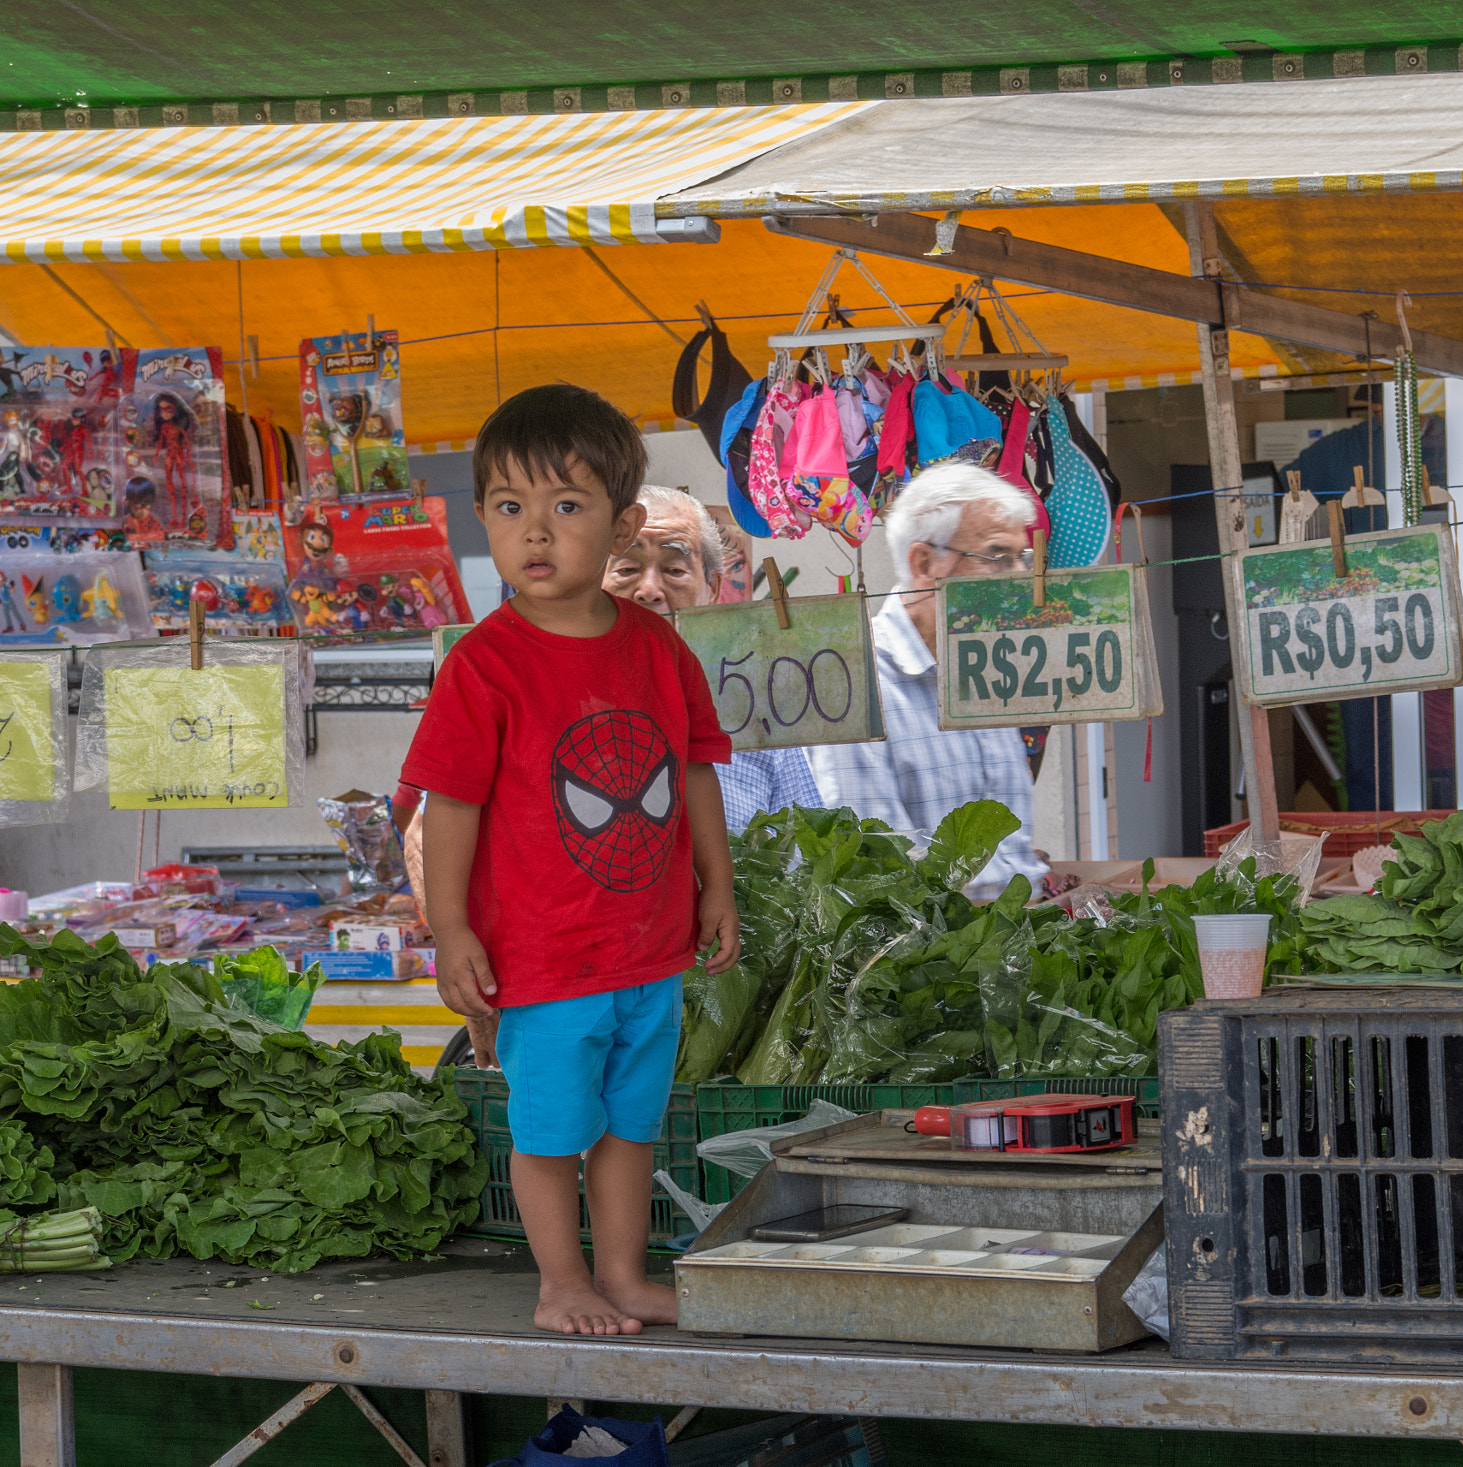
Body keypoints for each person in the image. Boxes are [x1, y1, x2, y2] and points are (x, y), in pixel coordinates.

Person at [402, 384, 737, 1337]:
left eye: (567, 506)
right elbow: (450, 805)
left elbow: (696, 773)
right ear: (484, 521)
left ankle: (624, 1274)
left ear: (625, 524)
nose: (536, 533)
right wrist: (452, 928)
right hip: (543, 963)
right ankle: (561, 1283)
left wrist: (718, 885)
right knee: (552, 1129)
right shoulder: (484, 664)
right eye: (511, 509)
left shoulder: (660, 650)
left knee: (633, 1123)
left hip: (648, 951)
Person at [806, 463, 1050, 899]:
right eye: (997, 557)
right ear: (923, 563)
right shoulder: (854, 683)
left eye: (1023, 559)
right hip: (928, 958)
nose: (1017, 578)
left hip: (1008, 944)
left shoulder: (984, 670)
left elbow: (1011, 849)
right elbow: (876, 874)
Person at [604, 483, 822, 829]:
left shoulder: (758, 716)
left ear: (714, 588)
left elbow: (804, 858)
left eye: (674, 570)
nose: (648, 590)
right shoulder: (546, 700)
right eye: (627, 569)